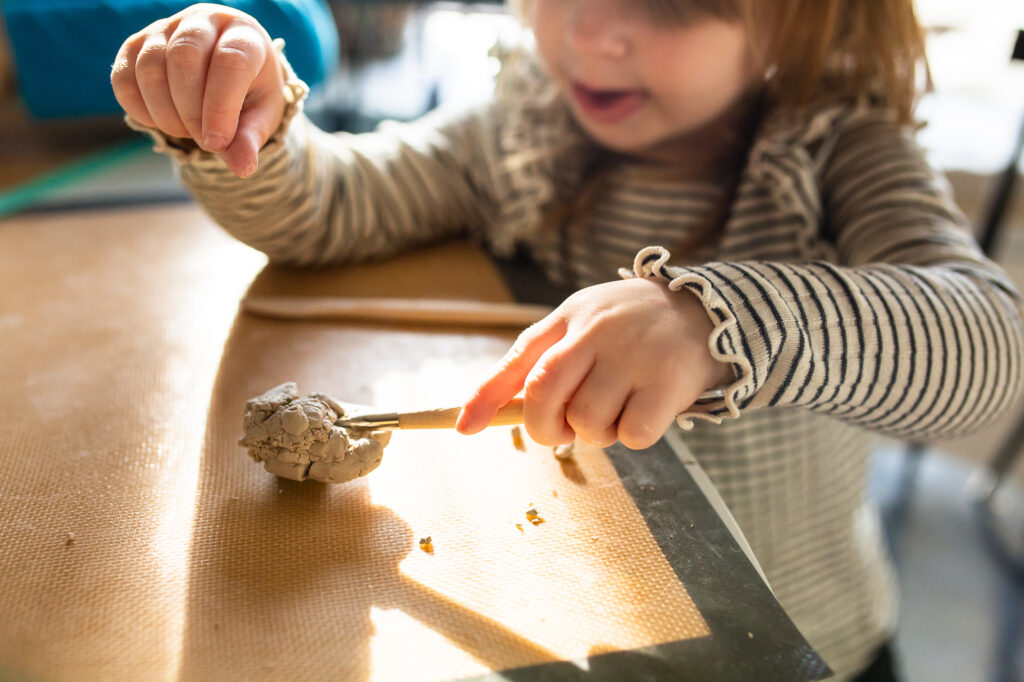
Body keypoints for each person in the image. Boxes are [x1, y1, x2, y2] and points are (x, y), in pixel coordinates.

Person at [111, 1, 1024, 679]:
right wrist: (250, 126)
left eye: (670, 4)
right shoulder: (523, 125)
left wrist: (715, 322)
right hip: (584, 613)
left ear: (805, 21)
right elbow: (330, 210)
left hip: (796, 636)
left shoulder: (837, 153)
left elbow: (988, 346)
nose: (590, 33)